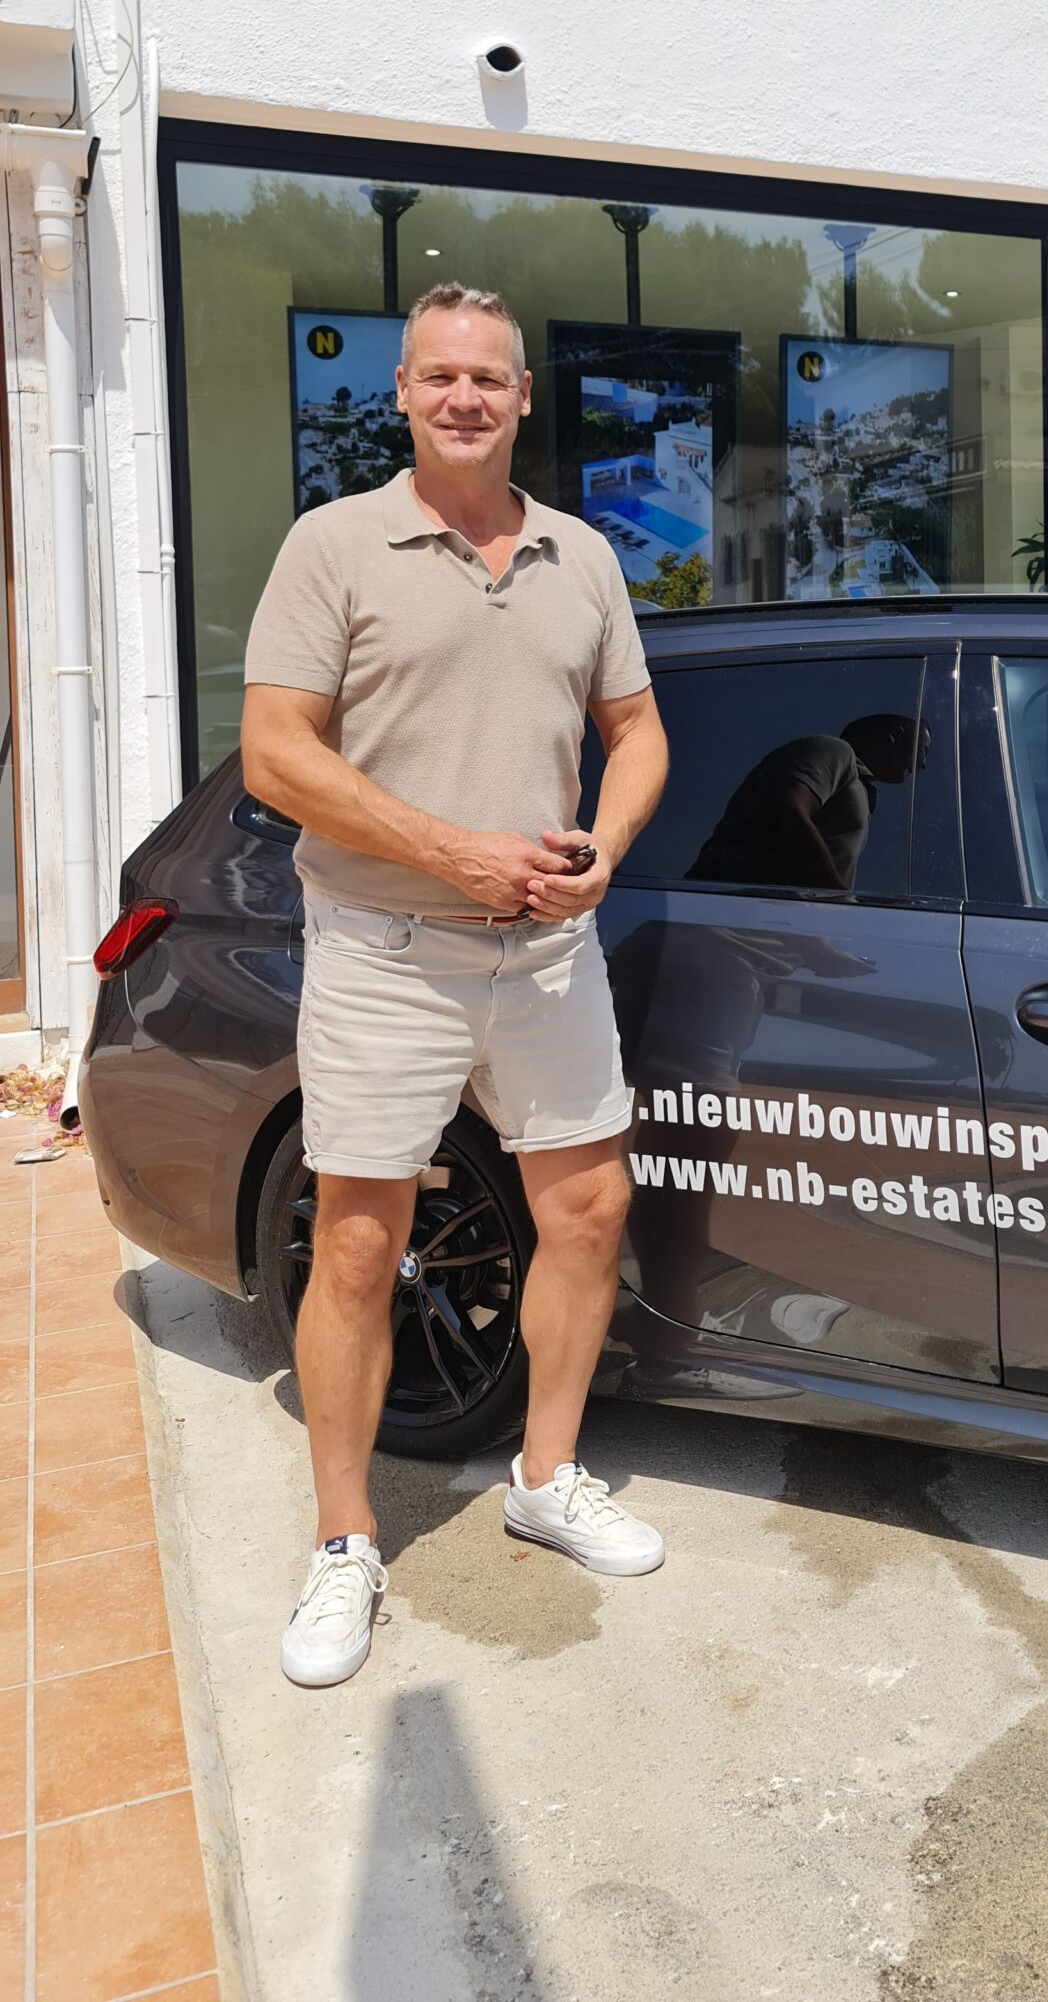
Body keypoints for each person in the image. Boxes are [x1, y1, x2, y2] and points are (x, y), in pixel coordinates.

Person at [241, 283, 670, 1689]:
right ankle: (344, 1542)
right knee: (360, 1244)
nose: (466, 397)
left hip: (546, 949)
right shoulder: (335, 545)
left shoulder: (582, 556)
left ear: (525, 395)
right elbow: (276, 754)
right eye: (441, 376)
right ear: (405, 392)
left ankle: (545, 1477)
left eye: (490, 377)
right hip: (387, 949)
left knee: (588, 1210)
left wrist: (602, 849)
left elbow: (638, 733)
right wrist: (452, 851)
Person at [687, 713, 925, 891]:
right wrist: (836, 901)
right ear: (896, 735)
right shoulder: (837, 752)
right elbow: (782, 808)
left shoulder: (858, 785)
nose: (922, 764)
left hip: (773, 931)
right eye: (923, 749)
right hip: (729, 925)